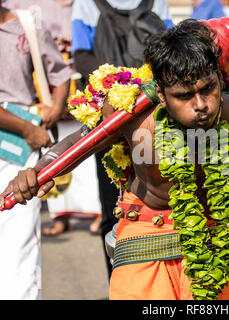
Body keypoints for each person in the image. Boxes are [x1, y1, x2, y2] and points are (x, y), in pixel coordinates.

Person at [0, 19, 229, 300]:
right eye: (184, 95)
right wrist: (40, 169)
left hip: (216, 233)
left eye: (208, 89)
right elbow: (82, 141)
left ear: (218, 79)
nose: (201, 105)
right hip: (145, 230)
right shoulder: (133, 114)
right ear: (162, 96)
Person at [71, 0, 173, 279]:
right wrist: (123, 87)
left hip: (153, 115)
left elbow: (172, 47)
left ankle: (159, 280)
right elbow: (81, 56)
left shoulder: (157, 2)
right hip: (109, 119)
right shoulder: (87, 3)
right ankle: (118, 283)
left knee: (160, 198)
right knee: (113, 205)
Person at [0, 0, 71, 299]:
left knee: (17, 245)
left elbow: (62, 74)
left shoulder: (27, 24)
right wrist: (28, 129)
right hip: (1, 141)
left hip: (17, 155)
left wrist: (53, 110)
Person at [3, 0, 103, 236]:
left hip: (74, 83)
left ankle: (95, 210)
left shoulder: (83, 5)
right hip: (43, 88)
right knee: (51, 150)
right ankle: (60, 215)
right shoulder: (19, 6)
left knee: (84, 147)